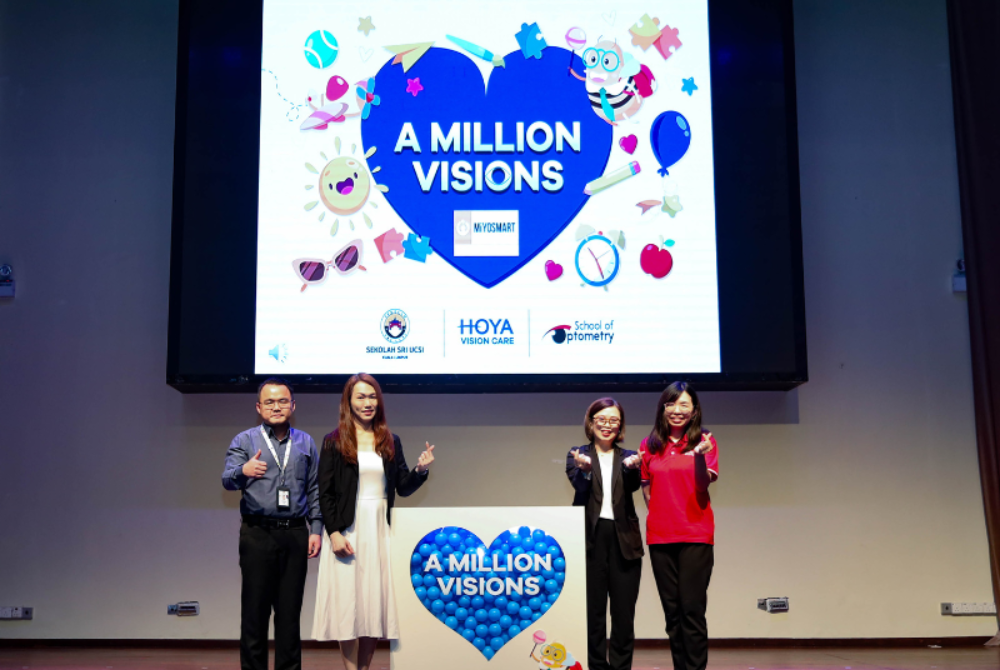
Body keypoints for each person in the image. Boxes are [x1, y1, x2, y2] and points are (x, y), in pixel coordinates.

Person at [313, 373, 436, 670]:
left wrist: (420, 470)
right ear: (349, 401)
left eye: (372, 397)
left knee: (373, 604)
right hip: (348, 529)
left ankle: (365, 668)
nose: (367, 403)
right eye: (360, 397)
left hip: (380, 529)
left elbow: (402, 488)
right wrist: (334, 533)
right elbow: (324, 493)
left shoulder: (390, 440)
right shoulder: (333, 441)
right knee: (347, 604)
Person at [221, 378, 322, 670]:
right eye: (269, 402)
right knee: (254, 614)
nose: (276, 407)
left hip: (295, 534)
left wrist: (315, 530)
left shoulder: (305, 442)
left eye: (282, 401)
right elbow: (227, 479)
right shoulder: (244, 440)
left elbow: (314, 489)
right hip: (257, 534)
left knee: (290, 616)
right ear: (258, 407)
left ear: (292, 405)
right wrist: (244, 470)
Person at [640, 382, 718, 670]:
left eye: (684, 404)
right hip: (660, 537)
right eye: (671, 404)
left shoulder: (706, 440)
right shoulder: (649, 445)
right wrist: (662, 516)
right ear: (663, 408)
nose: (676, 410)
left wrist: (698, 455)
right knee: (672, 614)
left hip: (696, 535)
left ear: (694, 410)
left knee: (692, 610)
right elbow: (647, 490)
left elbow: (702, 485)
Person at [566, 398, 643, 670]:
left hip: (625, 540)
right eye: (602, 419)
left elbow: (634, 486)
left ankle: (621, 667)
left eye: (613, 420)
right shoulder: (577, 453)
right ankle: (596, 666)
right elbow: (578, 487)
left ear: (620, 425)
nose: (607, 425)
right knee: (593, 613)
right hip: (590, 540)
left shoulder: (629, 456)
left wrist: (633, 469)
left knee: (624, 614)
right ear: (591, 422)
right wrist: (585, 472)